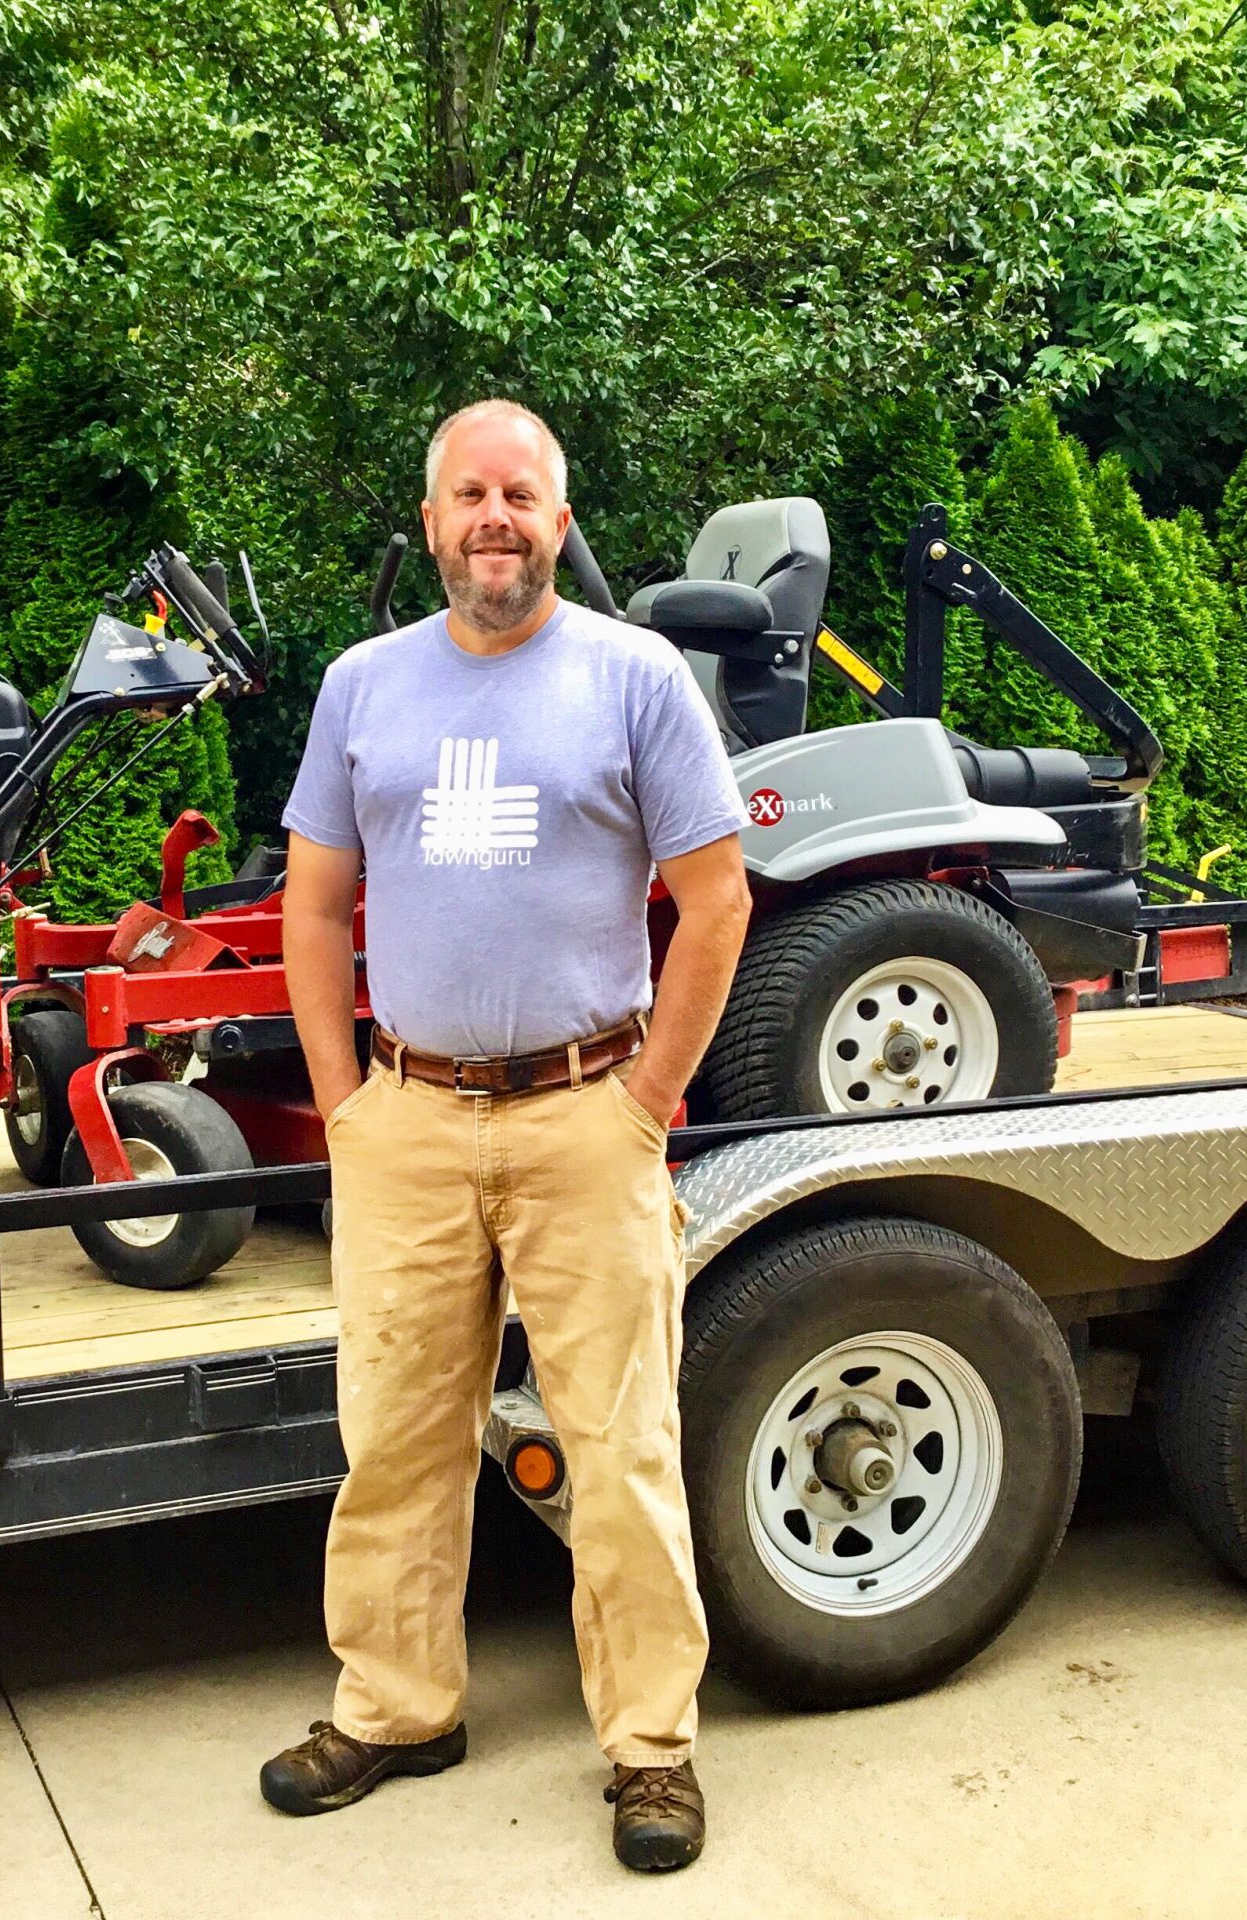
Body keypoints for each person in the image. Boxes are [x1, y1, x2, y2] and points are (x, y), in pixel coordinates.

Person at [262, 399, 752, 1871]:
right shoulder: (361, 687)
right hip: (406, 1120)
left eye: (520, 494)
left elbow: (716, 900)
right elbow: (316, 905)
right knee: (395, 1439)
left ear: (559, 517)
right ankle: (399, 1706)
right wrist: (346, 1101)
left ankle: (652, 1747)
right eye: (468, 493)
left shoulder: (636, 679)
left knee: (622, 1444)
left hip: (584, 1119)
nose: (494, 517)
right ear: (432, 524)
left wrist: (649, 1100)